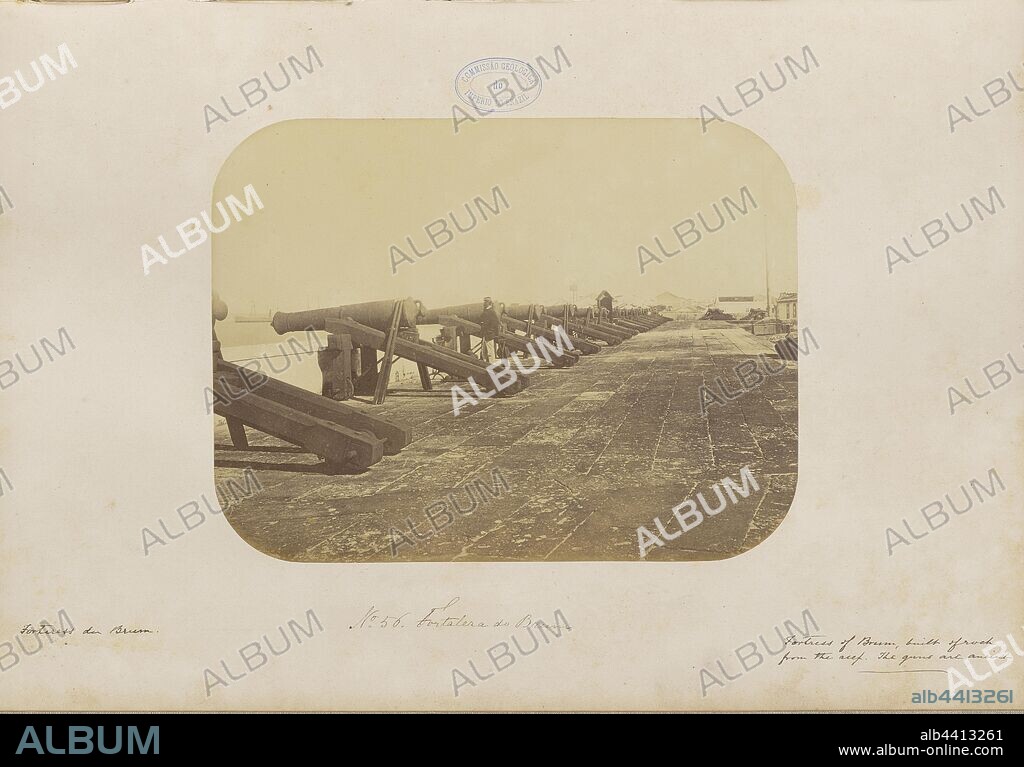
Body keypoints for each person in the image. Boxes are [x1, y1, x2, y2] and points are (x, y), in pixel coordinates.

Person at [479, 297, 502, 362]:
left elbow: (496, 322)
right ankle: (485, 363)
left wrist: (490, 330)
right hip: (485, 334)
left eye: (485, 302)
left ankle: (492, 364)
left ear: (488, 303)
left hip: (489, 334)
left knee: (490, 351)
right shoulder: (486, 311)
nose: (484, 303)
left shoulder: (491, 311)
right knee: (484, 350)